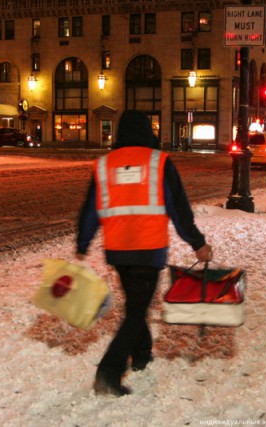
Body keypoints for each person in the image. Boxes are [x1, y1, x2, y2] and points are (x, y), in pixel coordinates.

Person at [76, 110, 213, 397]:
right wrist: (197, 243)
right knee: (137, 310)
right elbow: (179, 209)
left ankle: (141, 354)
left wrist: (82, 243)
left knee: (136, 306)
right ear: (147, 131)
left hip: (118, 251)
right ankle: (109, 372)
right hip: (149, 250)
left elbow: (91, 210)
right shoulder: (159, 162)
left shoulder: (104, 165)